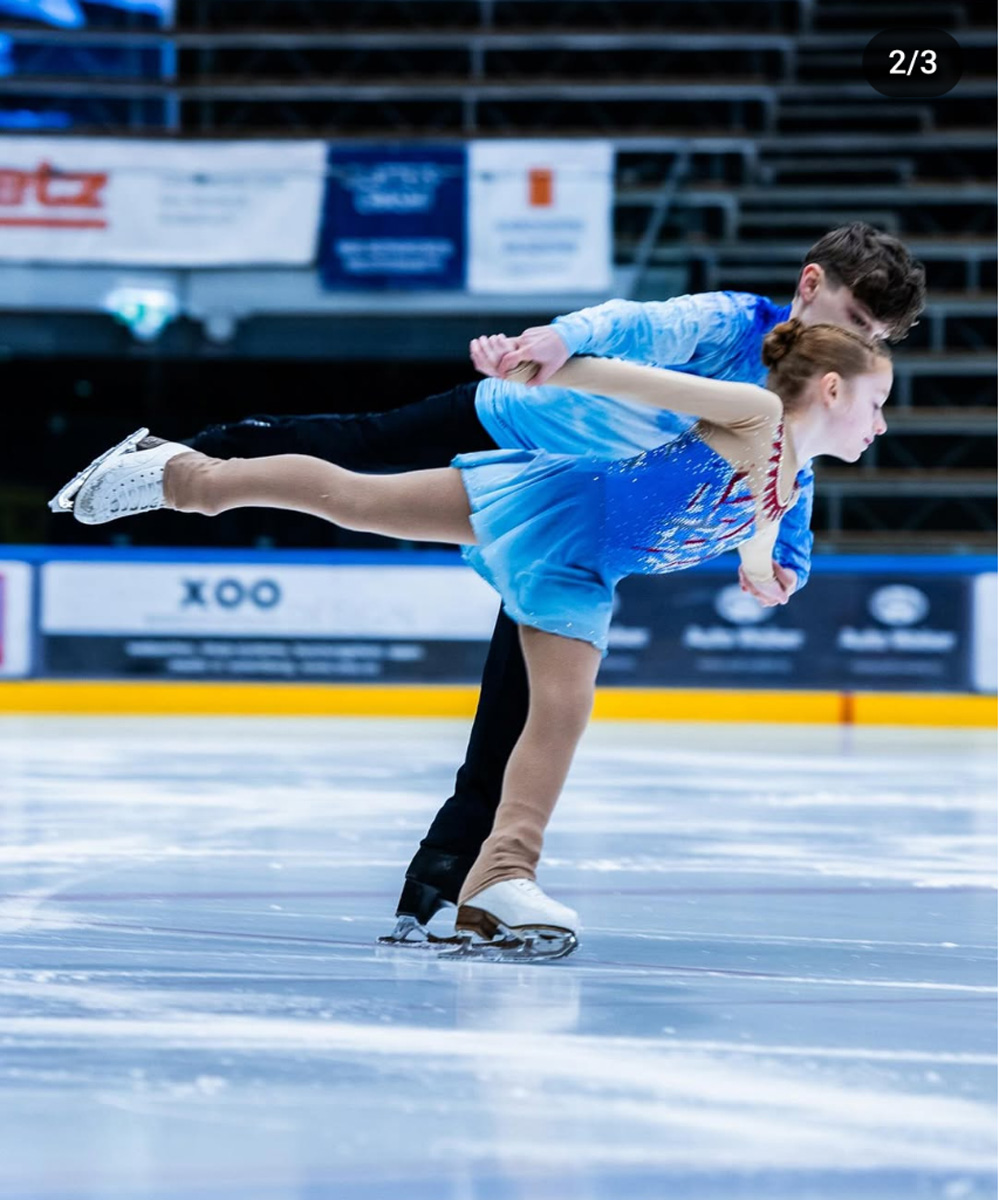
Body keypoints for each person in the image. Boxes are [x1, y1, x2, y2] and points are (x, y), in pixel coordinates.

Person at [55, 221, 927, 942]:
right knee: (355, 470)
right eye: (858, 326)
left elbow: (778, 500)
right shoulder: (735, 339)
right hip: (525, 429)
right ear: (811, 294)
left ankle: (462, 884)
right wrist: (549, 347)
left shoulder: (795, 446)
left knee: (529, 703)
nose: (864, 350)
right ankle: (183, 465)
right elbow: (633, 333)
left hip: (583, 523)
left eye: (877, 342)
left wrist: (769, 564)